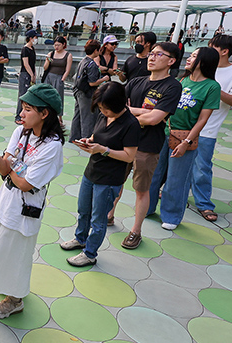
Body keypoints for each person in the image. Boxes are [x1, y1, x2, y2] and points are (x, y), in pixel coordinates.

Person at [0, 84, 64, 318]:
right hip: (7, 201)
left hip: (25, 209)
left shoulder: (52, 146)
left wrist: (11, 167)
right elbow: (4, 168)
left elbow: (26, 184)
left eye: (28, 109)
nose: (21, 114)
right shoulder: (21, 132)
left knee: (17, 254)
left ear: (44, 113)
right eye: (22, 108)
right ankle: (5, 287)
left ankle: (15, 299)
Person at [60, 82, 139, 266]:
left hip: (110, 179)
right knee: (83, 210)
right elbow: (97, 136)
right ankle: (80, 239)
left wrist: (103, 150)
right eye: (101, 108)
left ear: (118, 104)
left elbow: (129, 156)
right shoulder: (104, 117)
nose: (103, 112)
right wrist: (89, 142)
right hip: (92, 171)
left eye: (106, 108)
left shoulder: (130, 124)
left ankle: (90, 253)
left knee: (99, 219)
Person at [117, 42, 182, 247]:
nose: (151, 58)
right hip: (124, 140)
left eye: (158, 54)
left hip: (148, 145)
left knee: (142, 189)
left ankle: (135, 231)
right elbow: (117, 108)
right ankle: (108, 215)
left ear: (171, 61)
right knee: (115, 182)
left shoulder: (172, 86)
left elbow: (154, 119)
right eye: (151, 54)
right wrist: (143, 113)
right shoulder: (136, 81)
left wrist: (131, 112)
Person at [148, 47, 220, 230]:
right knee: (154, 174)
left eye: (194, 56)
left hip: (184, 138)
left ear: (204, 61)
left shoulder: (212, 87)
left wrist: (186, 142)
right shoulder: (182, 80)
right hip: (164, 133)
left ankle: (171, 216)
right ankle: (147, 208)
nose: (189, 58)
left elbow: (203, 119)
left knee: (176, 179)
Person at [191, 35, 232, 222]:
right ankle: (169, 193)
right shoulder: (202, 66)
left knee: (202, 167)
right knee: (174, 163)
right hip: (184, 125)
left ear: (225, 51)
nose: (208, 50)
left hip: (207, 129)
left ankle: (204, 204)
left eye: (213, 47)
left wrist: (213, 88)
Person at [70, 40, 109, 141]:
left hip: (78, 90)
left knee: (78, 114)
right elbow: (92, 83)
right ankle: (86, 138)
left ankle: (74, 137)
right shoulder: (92, 64)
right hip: (87, 93)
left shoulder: (83, 61)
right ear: (95, 50)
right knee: (88, 116)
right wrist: (104, 79)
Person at [41, 36, 72, 115]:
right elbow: (45, 68)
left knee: (58, 98)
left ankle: (59, 117)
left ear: (63, 44)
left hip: (59, 77)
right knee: (46, 97)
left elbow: (67, 70)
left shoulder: (68, 55)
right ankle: (45, 114)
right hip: (49, 77)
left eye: (58, 45)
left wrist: (62, 79)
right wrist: (48, 60)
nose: (56, 47)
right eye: (55, 45)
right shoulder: (51, 53)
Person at [16, 30, 38, 123]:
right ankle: (18, 115)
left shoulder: (32, 49)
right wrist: (31, 74)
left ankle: (25, 115)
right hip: (25, 74)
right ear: (30, 38)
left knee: (29, 95)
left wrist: (34, 74)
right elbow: (26, 64)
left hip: (31, 73)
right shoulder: (25, 49)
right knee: (23, 95)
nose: (36, 39)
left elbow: (33, 63)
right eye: (35, 37)